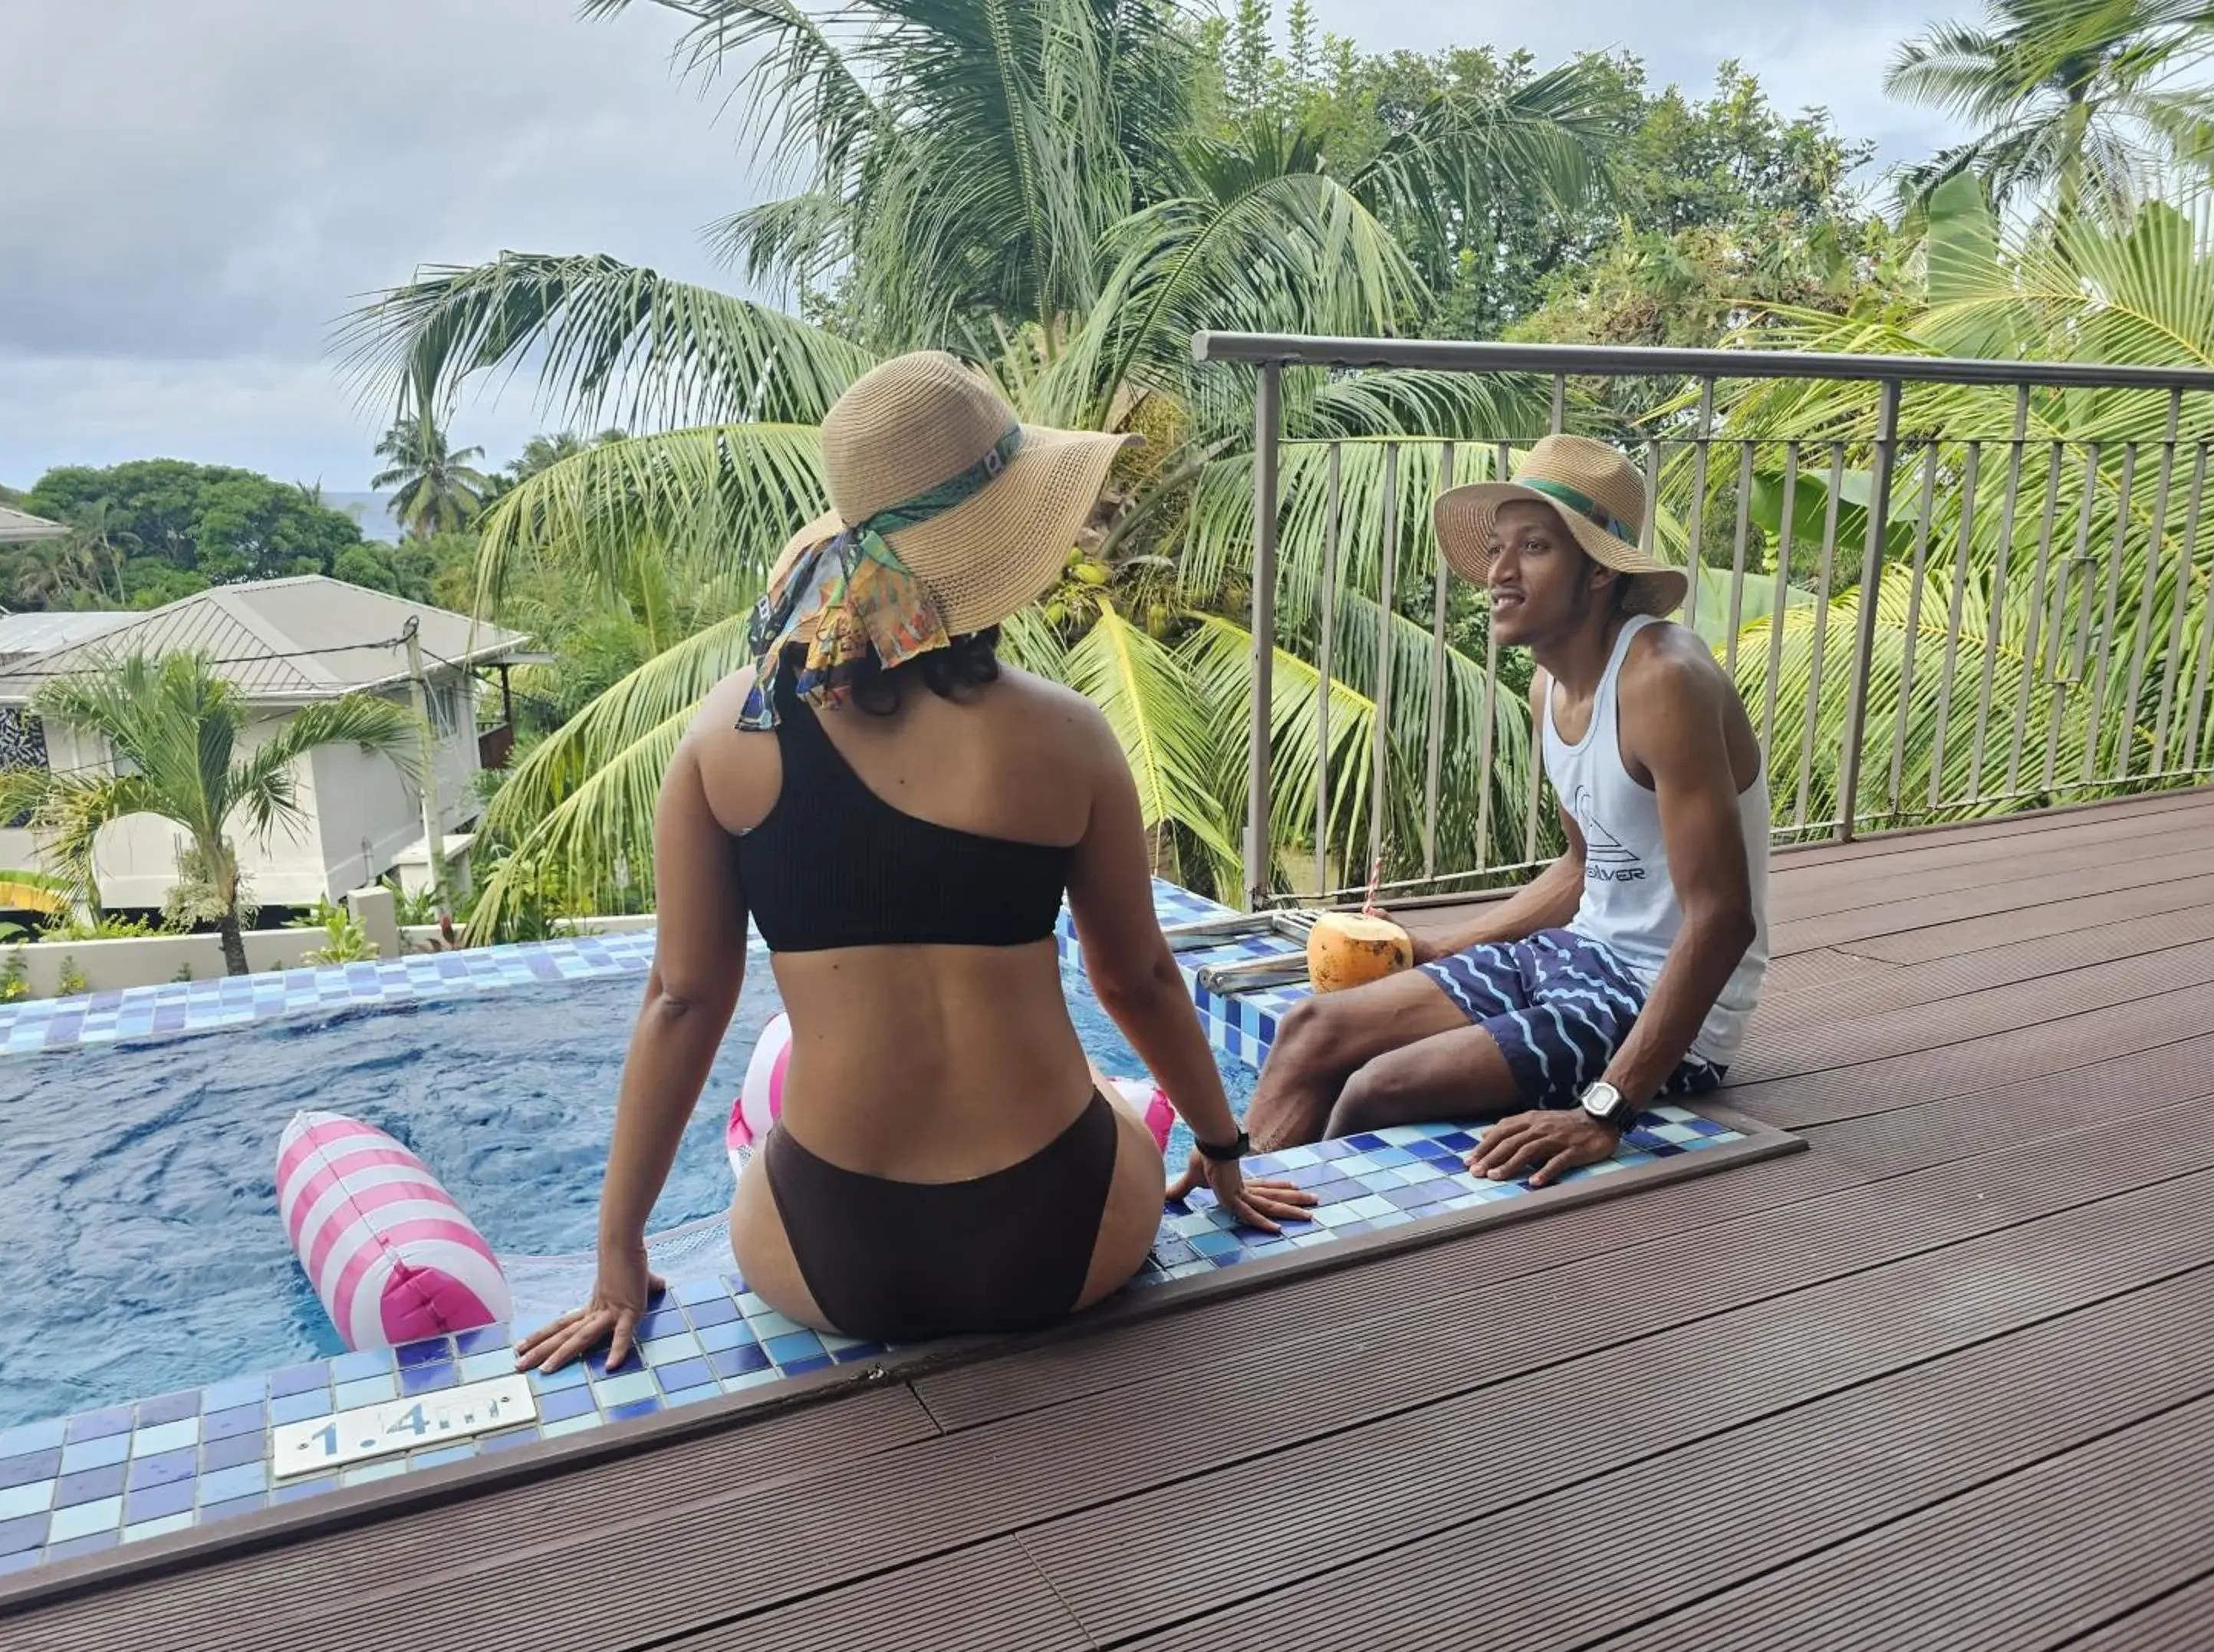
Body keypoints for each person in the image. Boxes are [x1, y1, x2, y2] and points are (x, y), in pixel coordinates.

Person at [518, 351, 1312, 1374]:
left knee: (756, 1156)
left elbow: (680, 1001)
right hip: (1067, 1239)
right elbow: (1138, 978)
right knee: (1117, 1102)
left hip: (832, 1257)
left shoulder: (721, 743)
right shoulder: (1068, 737)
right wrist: (1225, 1152)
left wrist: (618, 1255)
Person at [1245, 434, 1770, 1187]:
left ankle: (1308, 1258)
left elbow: (1723, 918)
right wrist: (1440, 945)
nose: (1498, 572)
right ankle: (1245, 1208)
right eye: (1496, 549)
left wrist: (1604, 1112)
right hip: (1575, 958)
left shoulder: (1664, 678)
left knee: (1377, 1086)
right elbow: (1585, 866)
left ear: (1596, 571)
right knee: (1308, 1032)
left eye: (1533, 548)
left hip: (1660, 1002)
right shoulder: (1547, 689)